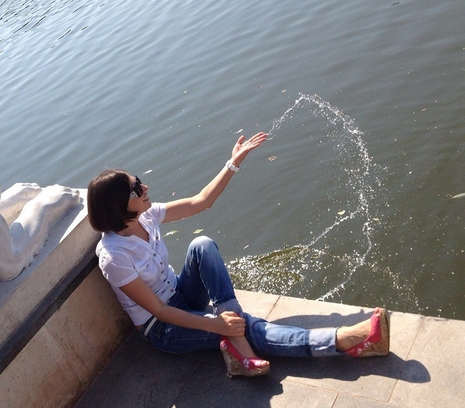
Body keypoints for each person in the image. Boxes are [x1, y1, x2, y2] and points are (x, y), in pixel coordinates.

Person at [87, 132, 389, 378]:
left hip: (181, 294)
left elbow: (202, 201)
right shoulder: (114, 257)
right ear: (118, 206)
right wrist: (216, 325)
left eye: (138, 180)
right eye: (136, 189)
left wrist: (233, 162)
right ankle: (344, 340)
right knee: (248, 328)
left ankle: (237, 341)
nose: (145, 187)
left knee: (202, 245)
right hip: (163, 327)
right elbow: (159, 311)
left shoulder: (147, 216)